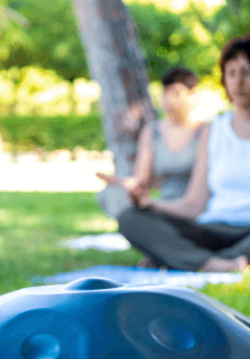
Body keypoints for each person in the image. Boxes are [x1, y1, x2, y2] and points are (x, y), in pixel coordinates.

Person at [101, 35, 250, 272]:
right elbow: (194, 204)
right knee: (130, 218)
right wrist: (152, 204)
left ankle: (182, 258)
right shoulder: (213, 130)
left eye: (246, 72)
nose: (239, 82)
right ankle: (212, 262)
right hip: (210, 228)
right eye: (232, 73)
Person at [97, 67, 205, 266]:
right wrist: (124, 184)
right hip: (163, 205)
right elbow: (140, 179)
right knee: (113, 199)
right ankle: (167, 251)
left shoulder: (205, 131)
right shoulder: (152, 131)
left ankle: (171, 254)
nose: (169, 100)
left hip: (197, 207)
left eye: (177, 93)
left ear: (193, 96)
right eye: (165, 93)